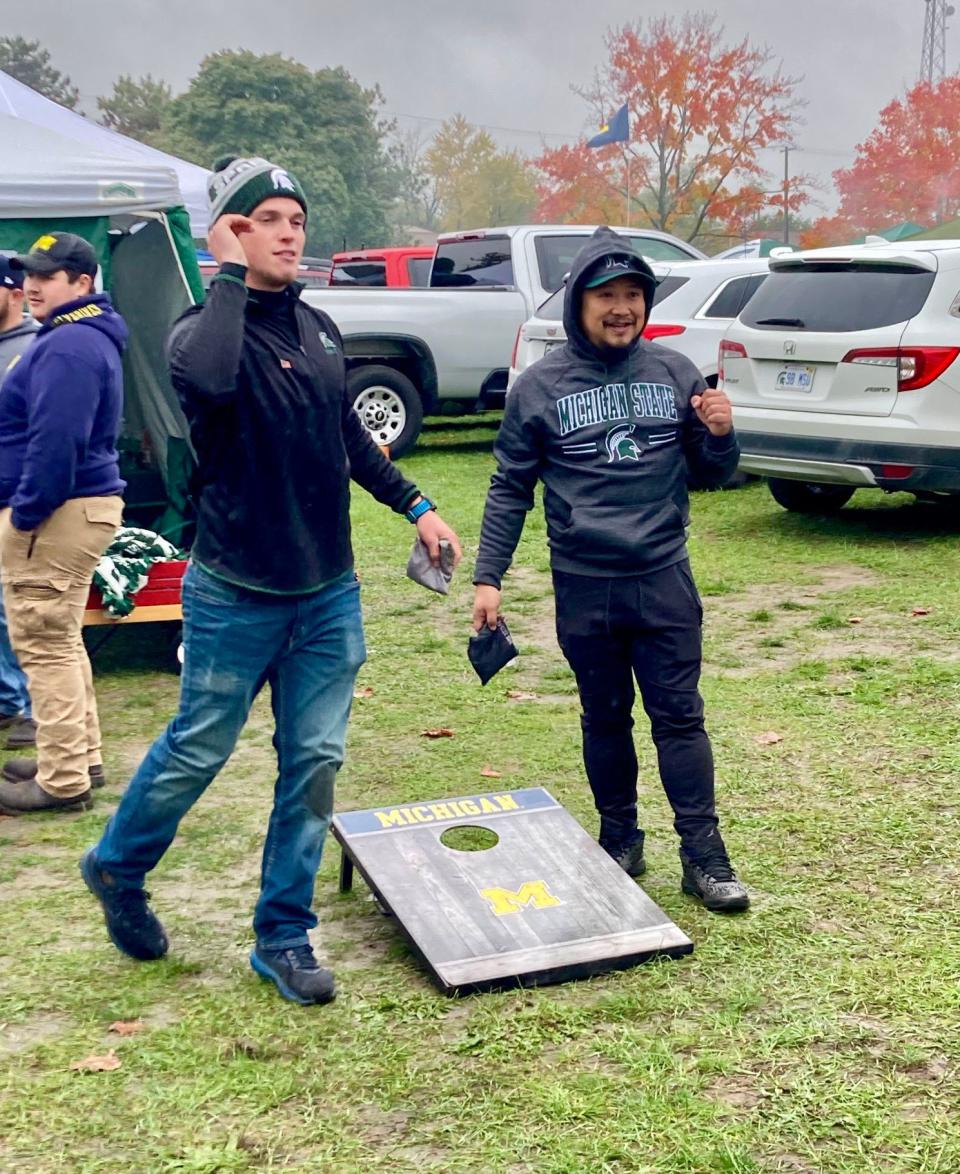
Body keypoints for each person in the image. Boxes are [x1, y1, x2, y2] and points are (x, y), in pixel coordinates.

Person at [82, 155, 462, 1005]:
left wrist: (418, 505)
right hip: (235, 590)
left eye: (297, 219)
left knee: (315, 761)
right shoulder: (196, 333)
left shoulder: (320, 329)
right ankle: (116, 866)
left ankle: (283, 935)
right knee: (200, 748)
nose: (291, 232)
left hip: (327, 591)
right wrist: (224, 274)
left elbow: (348, 439)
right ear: (234, 231)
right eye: (271, 219)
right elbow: (212, 382)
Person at [472, 226, 749, 913]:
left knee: (680, 717)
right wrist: (488, 577)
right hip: (584, 583)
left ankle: (704, 855)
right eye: (607, 295)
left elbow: (714, 474)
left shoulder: (676, 373)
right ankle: (620, 837)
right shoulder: (538, 388)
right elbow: (511, 486)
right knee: (604, 717)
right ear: (579, 304)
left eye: (633, 294)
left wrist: (720, 434)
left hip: (663, 577)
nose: (621, 307)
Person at [0, 233, 125, 814]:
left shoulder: (70, 344)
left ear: (82, 282)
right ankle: (76, 754)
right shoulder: (73, 336)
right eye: (29, 273)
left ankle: (62, 779)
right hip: (75, 509)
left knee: (44, 644)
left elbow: (57, 444)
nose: (31, 284)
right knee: (62, 639)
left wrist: (24, 514)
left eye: (47, 276)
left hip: (56, 513)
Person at [0, 256, 39, 750]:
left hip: (19, 502)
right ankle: (8, 698)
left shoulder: (32, 348)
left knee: (20, 609)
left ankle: (30, 707)